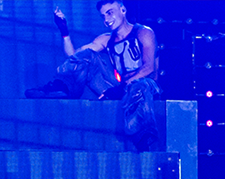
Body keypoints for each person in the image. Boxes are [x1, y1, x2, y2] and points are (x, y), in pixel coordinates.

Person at [25, 1, 161, 152]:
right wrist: (64, 31)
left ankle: (143, 139)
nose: (106, 19)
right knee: (87, 55)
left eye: (110, 13)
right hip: (120, 88)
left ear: (123, 10)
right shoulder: (106, 39)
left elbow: (149, 68)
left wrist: (122, 87)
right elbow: (74, 56)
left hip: (146, 87)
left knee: (139, 85)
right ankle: (62, 88)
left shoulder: (143, 32)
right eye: (103, 16)